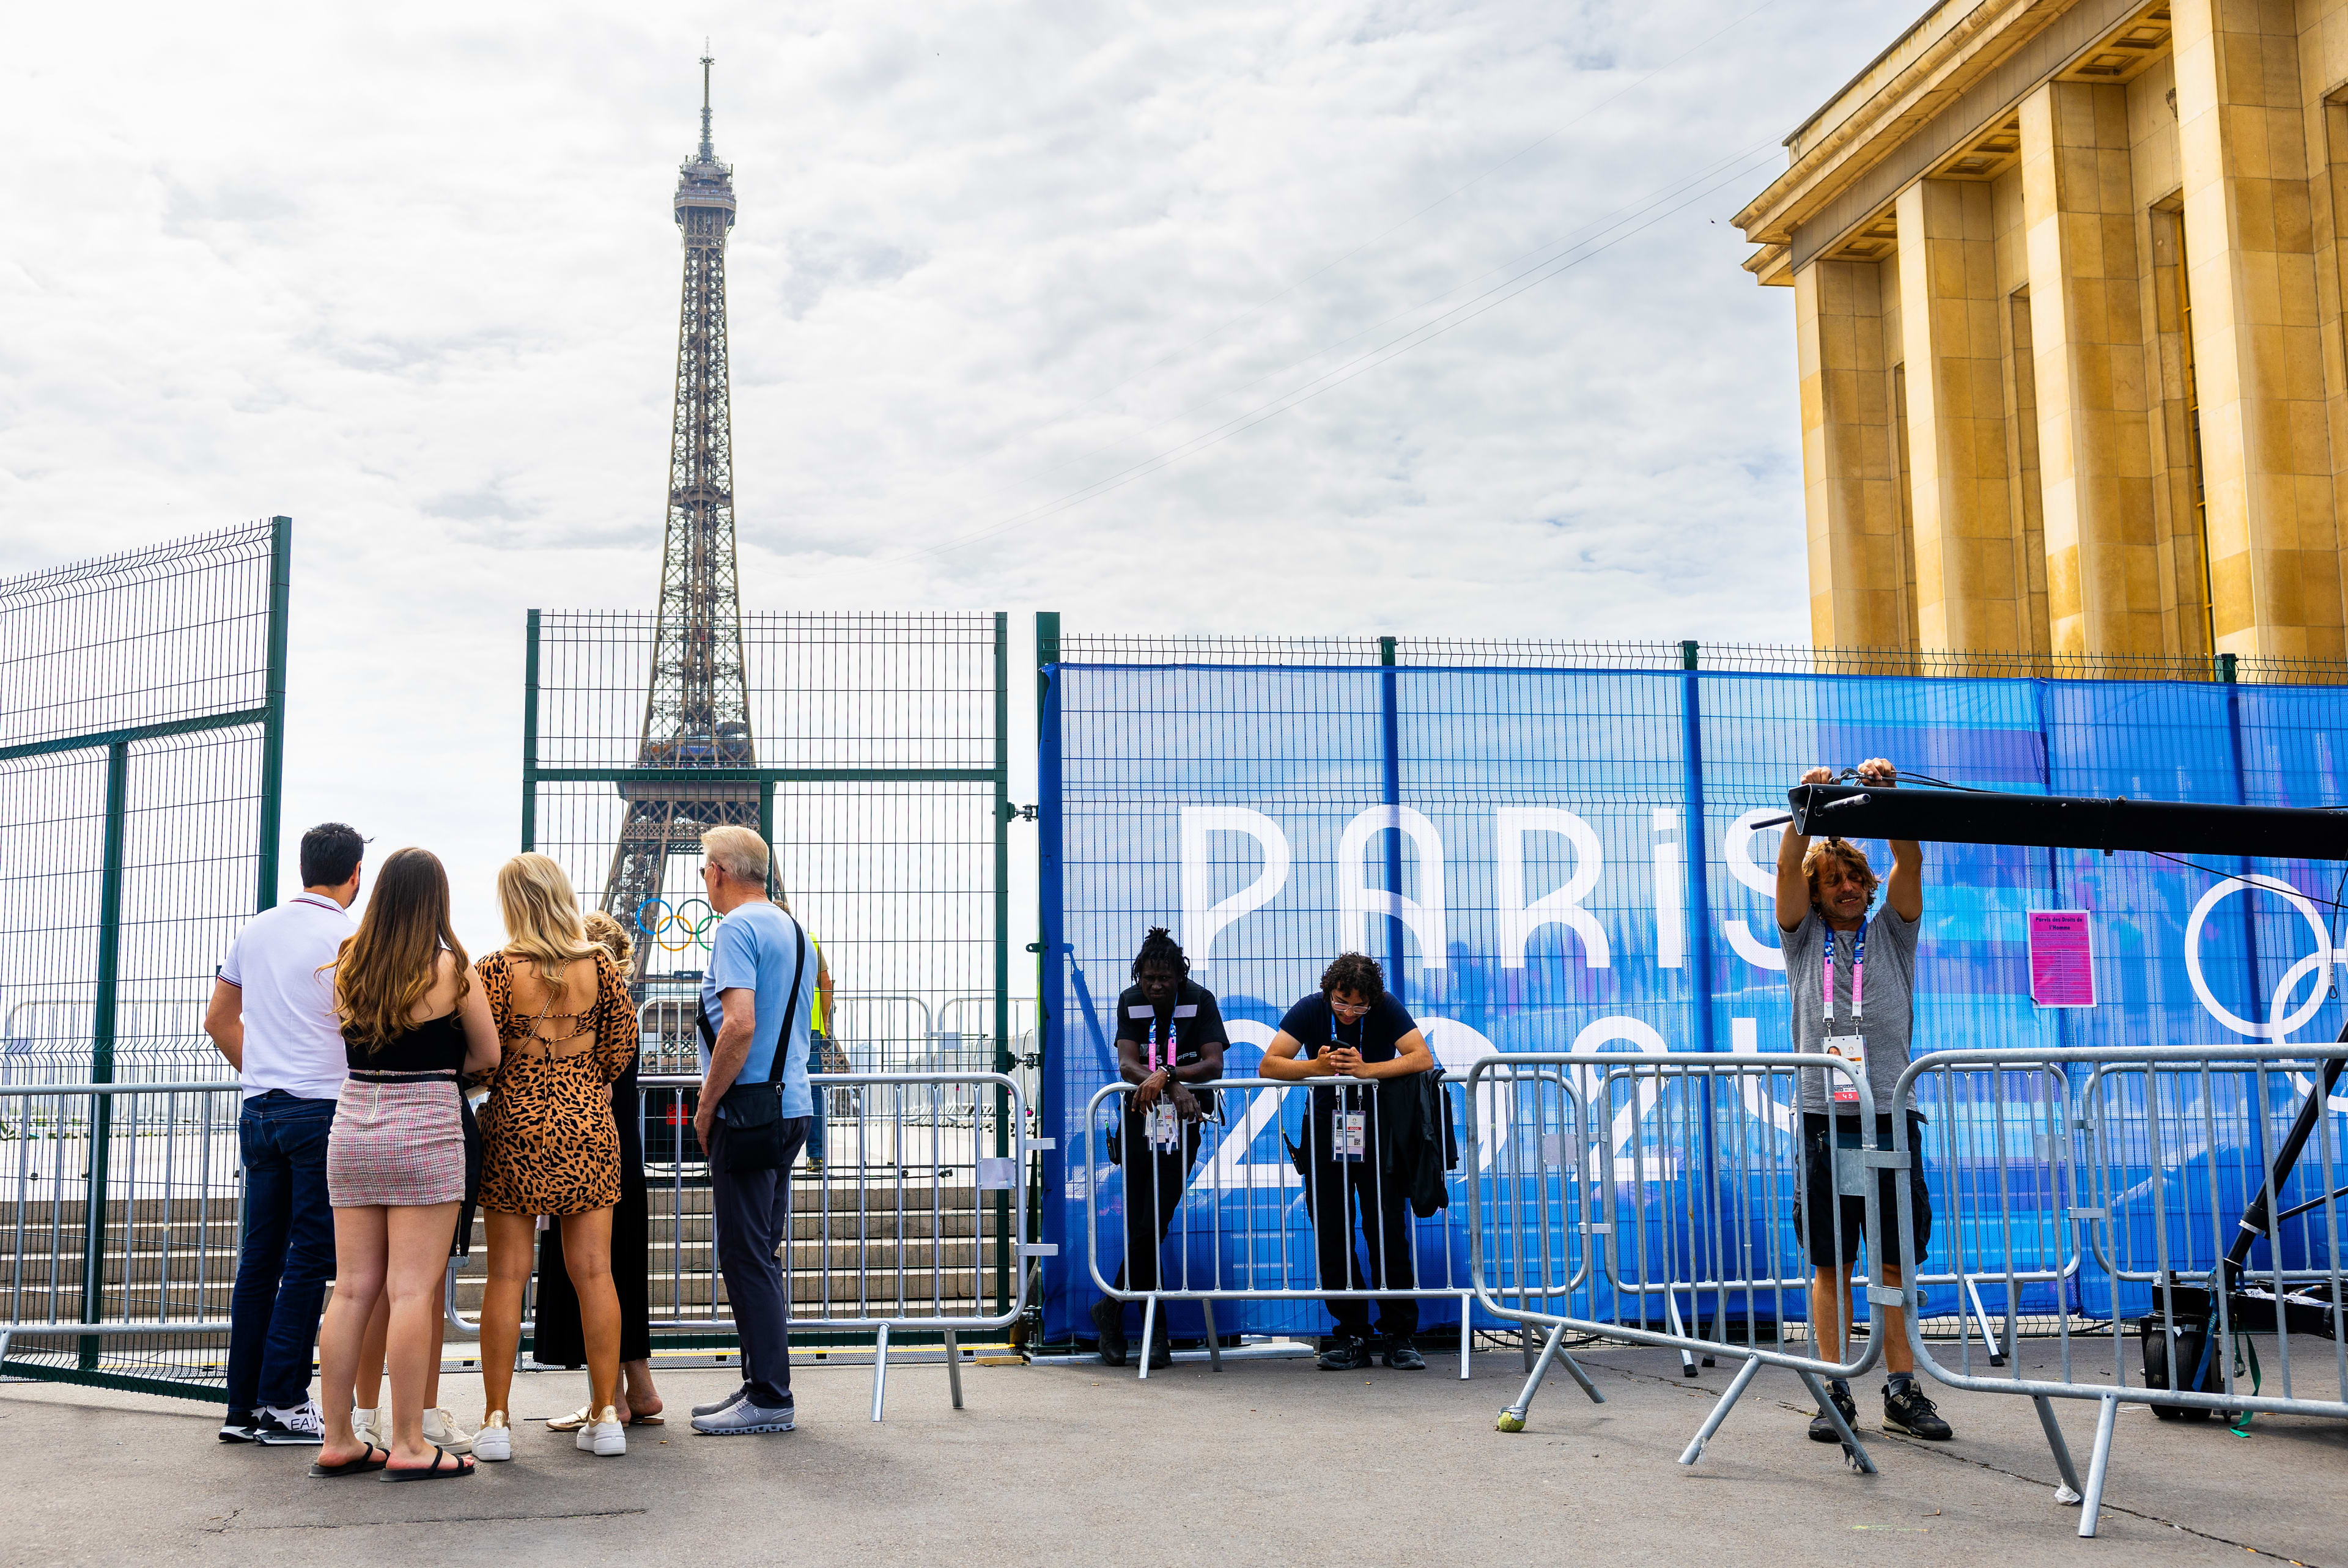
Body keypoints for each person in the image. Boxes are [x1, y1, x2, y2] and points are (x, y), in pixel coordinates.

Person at [1776, 756, 1952, 1443]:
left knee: (1893, 1262)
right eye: (1835, 880)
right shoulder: (1803, 943)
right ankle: (1833, 1392)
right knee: (1831, 1261)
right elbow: (1787, 871)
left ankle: (1903, 1390)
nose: (1849, 887)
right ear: (1819, 895)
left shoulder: (1894, 936)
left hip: (1890, 1115)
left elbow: (1909, 865)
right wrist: (1810, 806)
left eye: (1857, 877)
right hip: (1824, 1121)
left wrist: (1890, 801)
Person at [310, 847, 500, 1481]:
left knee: (352, 1288)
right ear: (436, 900)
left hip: (355, 1121)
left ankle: (340, 1437)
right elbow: (488, 1053)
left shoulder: (347, 965)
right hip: (426, 1126)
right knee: (413, 1290)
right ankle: (412, 1442)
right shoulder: (453, 970)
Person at [471, 854, 641, 1460]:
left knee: (506, 1275)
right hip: (586, 1126)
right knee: (595, 1272)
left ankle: (494, 1421)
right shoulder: (600, 965)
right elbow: (620, 1052)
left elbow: (483, 1060)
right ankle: (605, 1414)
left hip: (516, 1125)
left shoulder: (492, 970)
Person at [206, 822, 365, 1446]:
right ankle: (283, 1402)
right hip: (322, 1110)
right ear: (355, 875)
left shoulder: (256, 928)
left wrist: (267, 1071)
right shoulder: (351, 935)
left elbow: (219, 1019)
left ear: (304, 868)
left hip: (260, 1110)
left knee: (260, 1259)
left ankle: (240, 1407)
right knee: (311, 1257)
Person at [687, 825, 815, 1437]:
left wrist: (707, 1105)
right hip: (792, 1108)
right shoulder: (792, 929)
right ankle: (761, 1384)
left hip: (749, 1110)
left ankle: (768, 1394)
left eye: (702, 873)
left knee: (743, 1256)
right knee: (761, 1252)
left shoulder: (736, 929)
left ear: (718, 871)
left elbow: (738, 1025)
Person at [1260, 952, 1434, 1372]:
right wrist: (1315, 1067)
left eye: (1360, 1005)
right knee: (1332, 1234)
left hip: (1379, 1135)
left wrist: (1366, 1069)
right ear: (1329, 992)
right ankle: (1351, 1332)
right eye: (1342, 1001)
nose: (1350, 1011)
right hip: (1324, 1134)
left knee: (1387, 1229)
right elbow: (1269, 1064)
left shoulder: (1387, 1006)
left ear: (1373, 998)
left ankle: (1399, 1333)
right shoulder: (1310, 1007)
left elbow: (1421, 1057)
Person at [541, 910, 665, 1434]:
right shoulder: (626, 1011)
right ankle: (639, 1389)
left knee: (591, 1276)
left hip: (586, 1161)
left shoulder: (586, 1013)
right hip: (625, 1159)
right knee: (618, 1275)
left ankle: (608, 1400)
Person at [1090, 927, 1227, 1370]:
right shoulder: (1131, 1001)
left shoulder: (1201, 1000)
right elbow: (1128, 1063)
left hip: (1182, 1125)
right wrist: (1166, 1080)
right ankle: (1156, 1331)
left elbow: (1214, 1061)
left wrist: (1167, 1075)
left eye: (1164, 977)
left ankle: (1112, 1309)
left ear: (1179, 973)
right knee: (1141, 1223)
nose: (1156, 985)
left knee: (1157, 1220)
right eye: (1149, 977)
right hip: (1138, 1123)